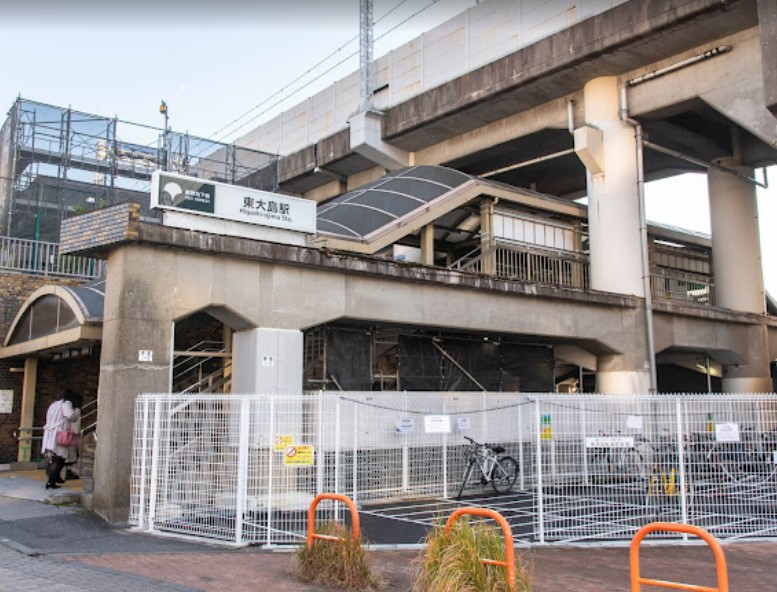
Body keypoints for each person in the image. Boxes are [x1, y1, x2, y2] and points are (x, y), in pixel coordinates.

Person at [41, 389, 80, 490]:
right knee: (59, 459)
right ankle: (51, 481)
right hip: (60, 433)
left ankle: (56, 477)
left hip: (50, 433)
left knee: (54, 458)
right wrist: (76, 415)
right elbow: (70, 416)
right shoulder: (66, 403)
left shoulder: (54, 404)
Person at [63, 391, 82, 481]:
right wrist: (76, 434)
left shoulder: (65, 408)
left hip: (63, 434)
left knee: (66, 455)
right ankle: (69, 473)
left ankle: (67, 472)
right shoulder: (76, 410)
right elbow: (76, 425)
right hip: (71, 436)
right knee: (72, 455)